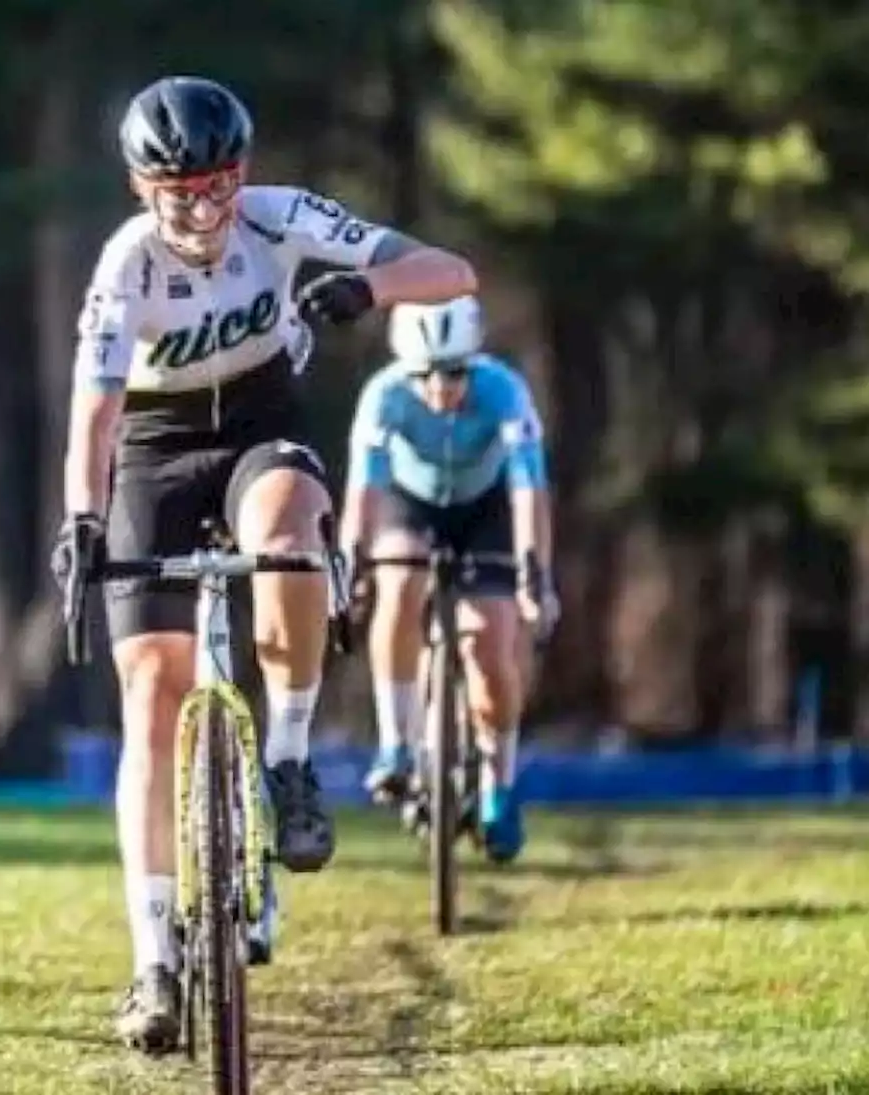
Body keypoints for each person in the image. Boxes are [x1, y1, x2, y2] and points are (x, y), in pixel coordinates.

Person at [48, 75, 477, 1054]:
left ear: (241, 173)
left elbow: (450, 271)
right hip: (153, 453)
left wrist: (364, 286)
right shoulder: (125, 267)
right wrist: (80, 518)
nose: (201, 209)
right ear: (138, 186)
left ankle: (285, 760)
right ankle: (154, 958)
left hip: (258, 430)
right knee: (151, 692)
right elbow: (96, 414)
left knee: (286, 530)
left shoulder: (280, 220)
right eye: (178, 190)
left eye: (218, 184)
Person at [339, 296, 558, 865]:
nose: (441, 389)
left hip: (486, 511)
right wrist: (351, 566)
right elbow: (361, 496)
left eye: (455, 371)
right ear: (404, 370)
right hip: (410, 504)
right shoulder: (382, 397)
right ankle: (396, 744)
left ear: (474, 361)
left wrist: (536, 575)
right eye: (425, 377)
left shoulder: (504, 392)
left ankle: (500, 786)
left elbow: (528, 491)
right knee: (399, 584)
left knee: (490, 643)